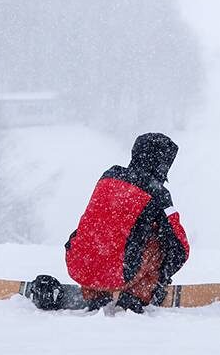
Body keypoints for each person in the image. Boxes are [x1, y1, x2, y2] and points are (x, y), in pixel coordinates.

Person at [59, 133, 190, 313]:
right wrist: (161, 279)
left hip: (79, 265)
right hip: (119, 273)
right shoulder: (158, 193)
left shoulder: (109, 175)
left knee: (104, 227)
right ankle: (136, 295)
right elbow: (180, 248)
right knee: (159, 239)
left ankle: (96, 293)